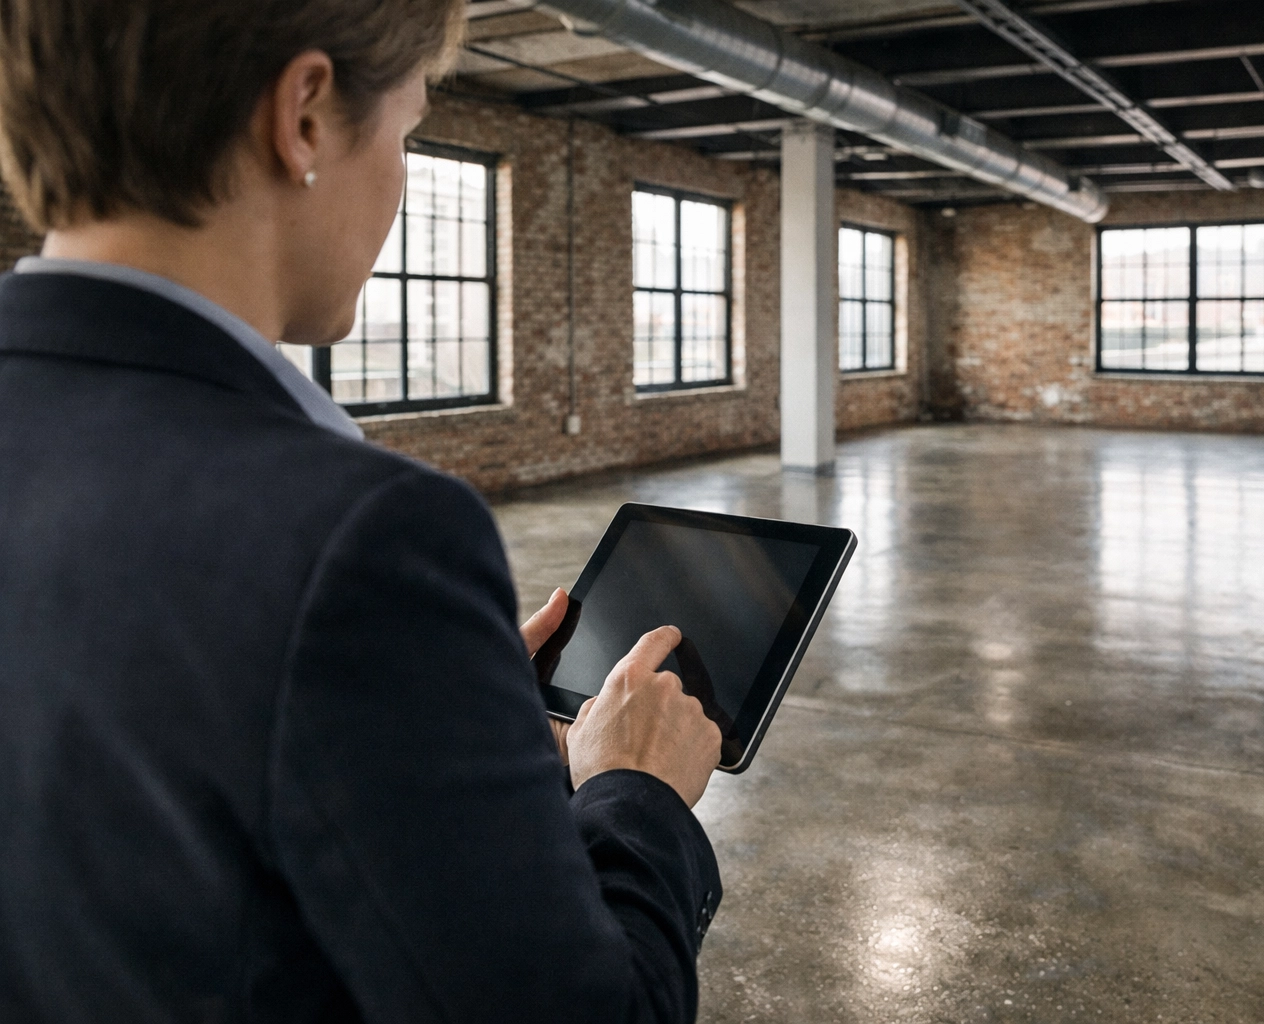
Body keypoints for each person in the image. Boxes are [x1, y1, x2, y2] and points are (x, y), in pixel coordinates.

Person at [0, 1, 725, 1021]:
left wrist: (443, 701)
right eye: (408, 131)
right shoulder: (364, 538)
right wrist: (635, 793)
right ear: (303, 115)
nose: (398, 178)